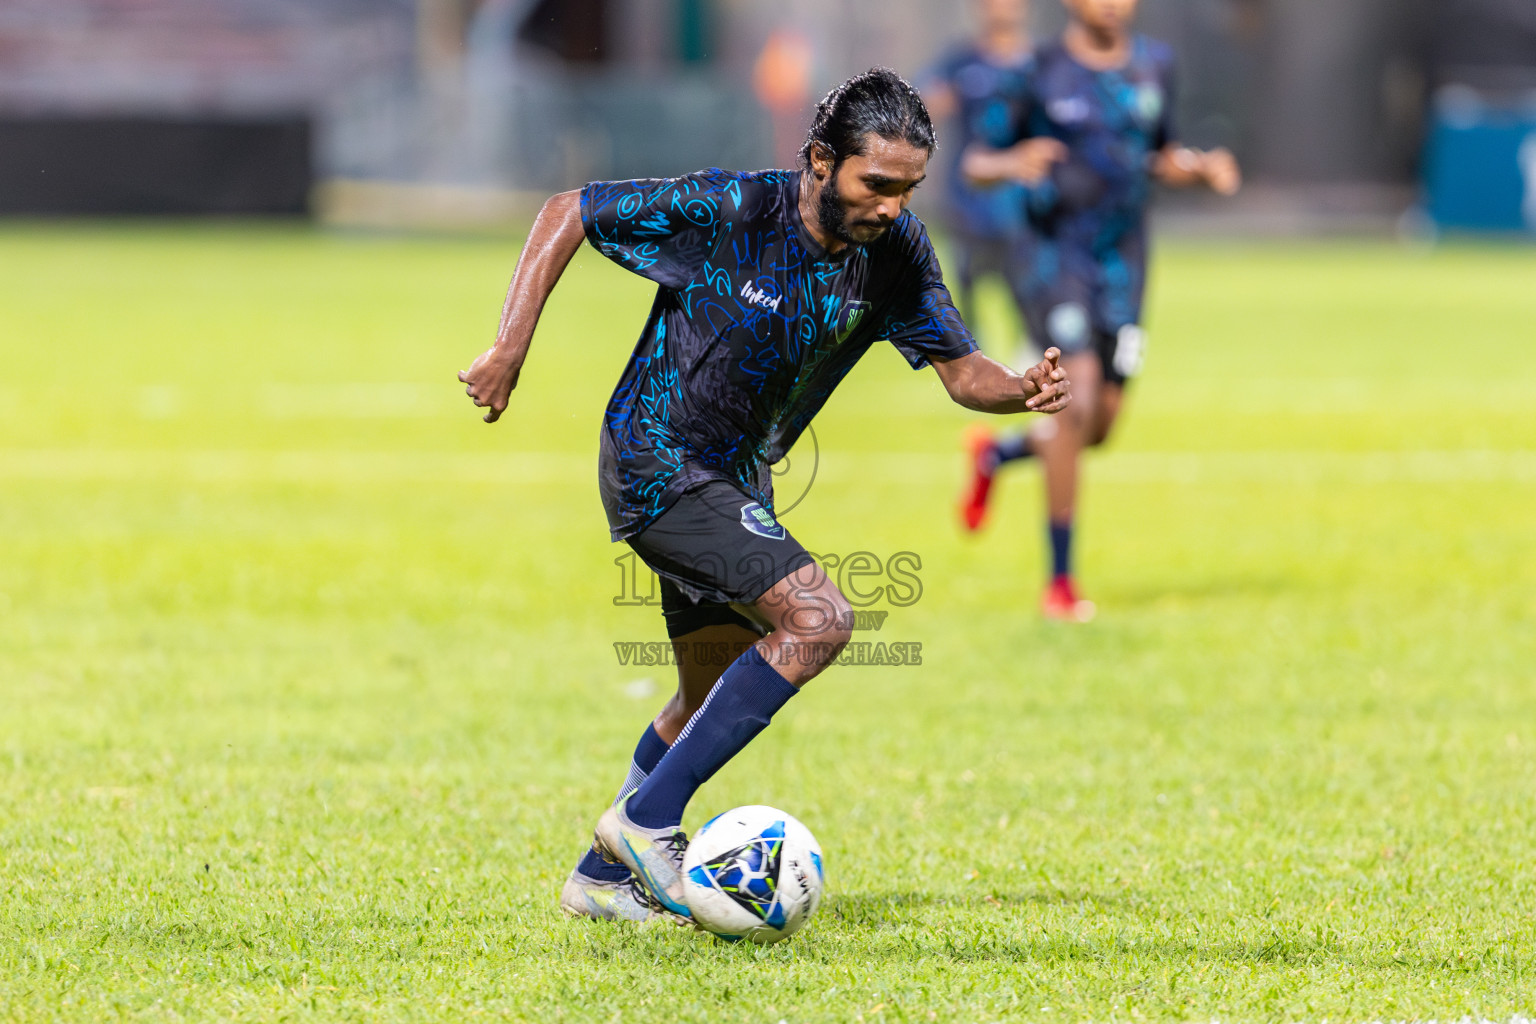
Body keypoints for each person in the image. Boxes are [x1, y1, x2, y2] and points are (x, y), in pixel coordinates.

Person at [458, 68, 1072, 923]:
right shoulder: (732, 209)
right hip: (656, 459)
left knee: (703, 690)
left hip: (734, 482)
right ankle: (645, 824)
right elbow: (567, 210)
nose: (893, 205)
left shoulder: (896, 249)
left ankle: (598, 881)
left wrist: (1021, 388)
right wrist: (508, 350)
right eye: (876, 184)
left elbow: (963, 372)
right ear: (821, 161)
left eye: (909, 188)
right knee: (818, 618)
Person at [957, 0, 1240, 621]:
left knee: (1100, 425)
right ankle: (1060, 583)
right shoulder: (1037, 69)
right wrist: (1010, 163)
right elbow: (974, 162)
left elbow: (1160, 154)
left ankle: (997, 456)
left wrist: (1198, 169)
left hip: (1124, 263)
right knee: (1074, 398)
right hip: (1054, 257)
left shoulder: (1155, 65)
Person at [920, 0, 1036, 362]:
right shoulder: (960, 63)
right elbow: (921, 103)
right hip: (969, 202)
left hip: (1024, 205)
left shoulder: (1040, 64)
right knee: (967, 296)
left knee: (1029, 293)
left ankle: (1029, 362)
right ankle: (977, 370)